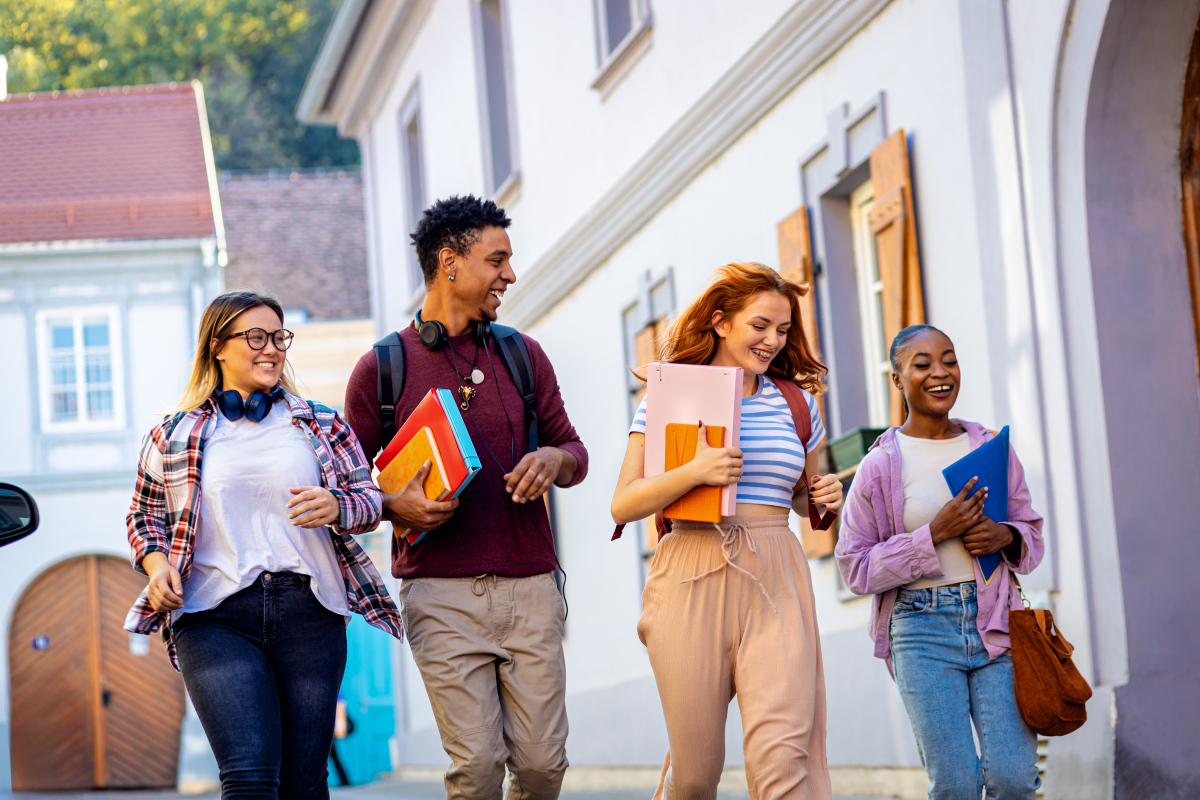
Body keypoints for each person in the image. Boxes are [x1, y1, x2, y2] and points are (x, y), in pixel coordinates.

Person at [344, 195, 589, 800]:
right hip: (442, 596)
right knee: (477, 769)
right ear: (450, 263)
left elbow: (574, 452)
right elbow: (344, 484)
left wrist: (552, 460)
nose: (509, 274)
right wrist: (393, 505)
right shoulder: (382, 370)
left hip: (531, 589)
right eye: (497, 260)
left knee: (540, 768)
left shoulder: (523, 355)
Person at [124, 290, 401, 800]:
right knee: (249, 774)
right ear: (217, 346)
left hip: (309, 615)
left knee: (304, 783)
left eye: (278, 336)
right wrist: (157, 562)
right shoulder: (173, 434)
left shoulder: (321, 423)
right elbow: (145, 517)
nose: (271, 348)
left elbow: (371, 502)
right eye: (255, 336)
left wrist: (338, 505)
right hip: (214, 616)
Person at [610, 262, 842, 800]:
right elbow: (623, 504)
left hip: (776, 573)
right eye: (760, 325)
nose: (773, 341)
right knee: (694, 776)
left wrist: (824, 497)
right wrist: (695, 472)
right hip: (690, 568)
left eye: (783, 331)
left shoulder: (798, 403)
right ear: (720, 321)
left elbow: (807, 503)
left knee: (784, 759)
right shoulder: (667, 399)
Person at [835, 324, 1045, 799]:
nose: (940, 373)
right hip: (920, 630)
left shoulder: (989, 446)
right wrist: (934, 535)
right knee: (955, 785)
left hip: (996, 622)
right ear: (898, 379)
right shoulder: (880, 465)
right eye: (923, 364)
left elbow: (1031, 537)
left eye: (948, 360)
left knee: (1014, 779)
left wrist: (1005, 535)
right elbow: (854, 566)